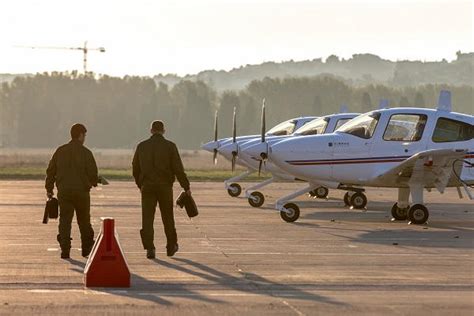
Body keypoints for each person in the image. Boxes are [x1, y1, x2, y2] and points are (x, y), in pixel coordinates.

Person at [132, 120, 191, 259]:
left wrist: (140, 184)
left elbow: (135, 168)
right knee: (168, 218)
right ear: (163, 131)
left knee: (147, 218)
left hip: (147, 187)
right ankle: (171, 246)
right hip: (165, 187)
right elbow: (178, 169)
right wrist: (186, 186)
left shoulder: (142, 146)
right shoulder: (170, 146)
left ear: (151, 130)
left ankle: (150, 248)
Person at [45, 123, 98, 259]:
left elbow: (51, 171)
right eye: (84, 135)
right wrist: (94, 182)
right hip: (82, 193)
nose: (85, 138)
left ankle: (65, 249)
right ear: (80, 135)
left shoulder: (60, 151)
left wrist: (49, 189)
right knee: (84, 221)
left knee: (65, 220)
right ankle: (86, 248)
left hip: (64, 192)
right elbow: (93, 174)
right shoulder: (86, 153)